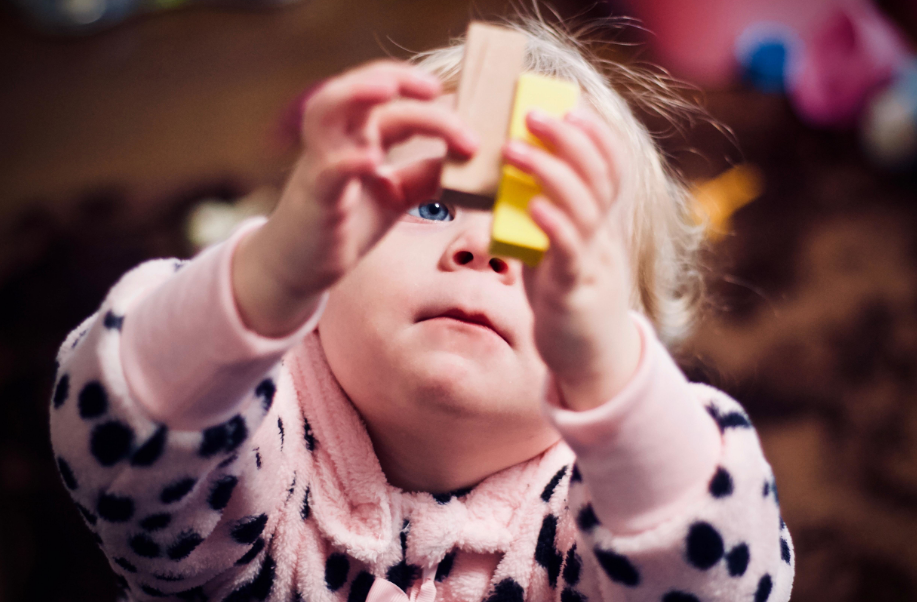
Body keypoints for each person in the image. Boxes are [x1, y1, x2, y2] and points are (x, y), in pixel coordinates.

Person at [49, 16, 794, 602]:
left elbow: (718, 582)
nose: (482, 246)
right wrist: (269, 272)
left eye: (544, 240)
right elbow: (118, 437)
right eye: (433, 205)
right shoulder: (252, 429)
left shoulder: (597, 516)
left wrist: (619, 391)